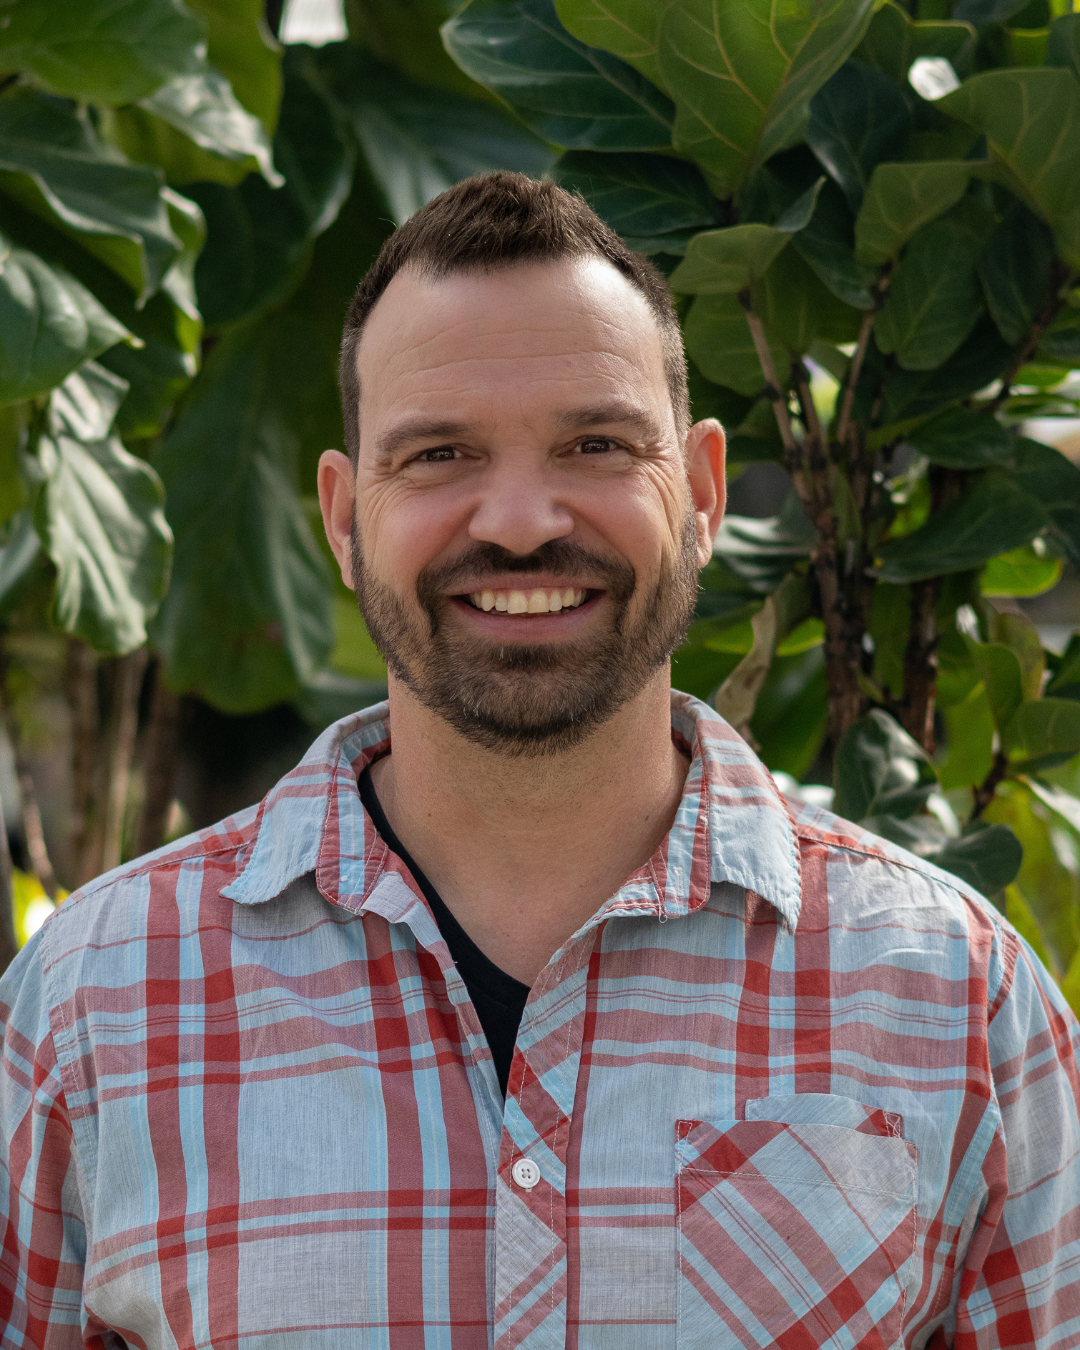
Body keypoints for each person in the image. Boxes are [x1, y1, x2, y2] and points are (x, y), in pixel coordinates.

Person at [1, 172, 1078, 1350]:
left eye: (597, 443)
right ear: (343, 512)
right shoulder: (94, 1006)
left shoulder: (950, 997)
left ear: (705, 492)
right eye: (440, 455)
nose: (518, 519)